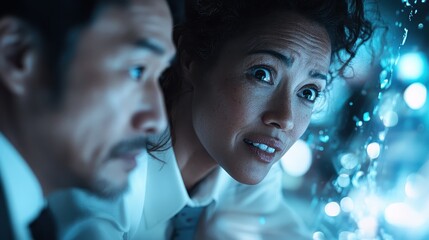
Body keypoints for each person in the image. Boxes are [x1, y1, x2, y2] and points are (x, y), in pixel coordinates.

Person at [49, 0, 375, 239]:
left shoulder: (241, 170)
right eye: (262, 74)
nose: (285, 119)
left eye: (308, 93)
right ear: (191, 58)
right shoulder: (111, 169)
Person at [0, 0, 175, 239]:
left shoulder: (35, 220)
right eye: (137, 70)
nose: (158, 121)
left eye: (161, 75)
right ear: (16, 55)